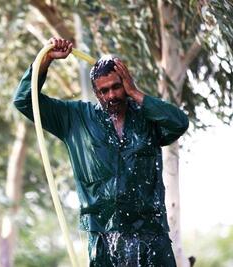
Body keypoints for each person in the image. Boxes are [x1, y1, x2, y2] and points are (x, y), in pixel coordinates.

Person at [13, 37, 189, 266]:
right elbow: (24, 100)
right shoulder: (75, 119)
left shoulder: (148, 118)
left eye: (117, 87)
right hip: (104, 238)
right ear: (96, 93)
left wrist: (136, 94)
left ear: (126, 82)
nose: (112, 95)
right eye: (104, 90)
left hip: (151, 235)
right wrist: (45, 60)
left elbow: (179, 123)